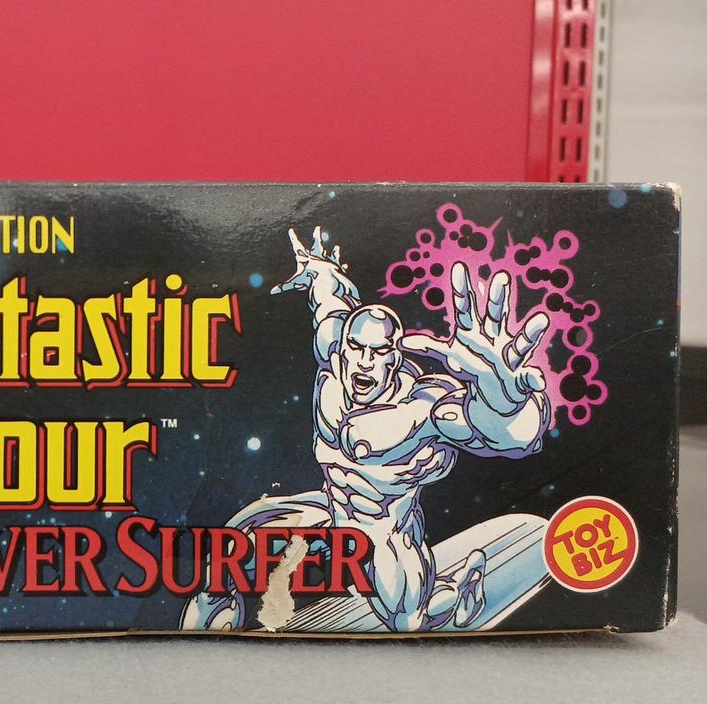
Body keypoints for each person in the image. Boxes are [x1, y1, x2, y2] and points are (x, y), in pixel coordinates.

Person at [183, 227, 552, 632]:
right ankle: (200, 640)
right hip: (327, 511)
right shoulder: (333, 356)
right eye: (357, 348)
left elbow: (509, 435)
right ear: (342, 347)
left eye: (378, 353)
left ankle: (460, 592)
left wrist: (505, 402)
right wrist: (320, 269)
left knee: (408, 621)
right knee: (222, 564)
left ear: (395, 357)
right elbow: (329, 298)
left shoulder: (422, 407)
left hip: (380, 531)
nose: (364, 362)